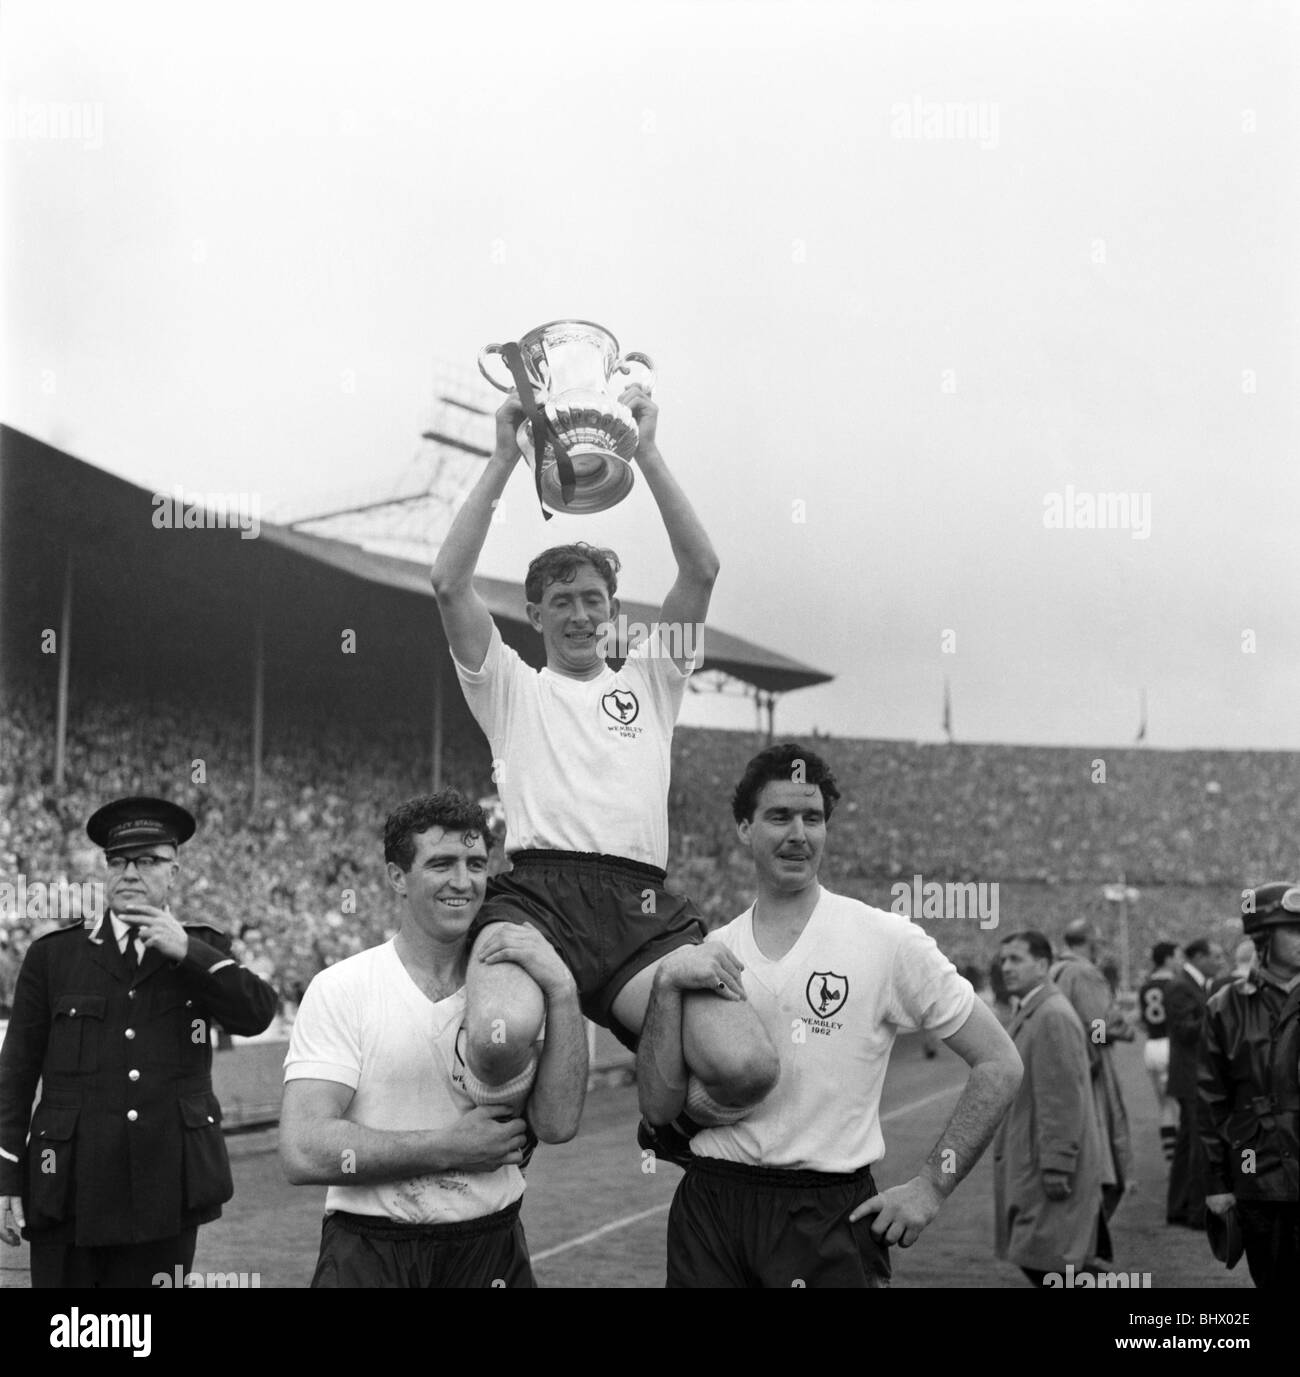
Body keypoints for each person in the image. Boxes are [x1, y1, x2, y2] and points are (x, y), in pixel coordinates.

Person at [430, 385, 778, 1137]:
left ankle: (662, 1111)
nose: (582, 614)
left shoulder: (653, 679)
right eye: (562, 600)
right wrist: (500, 459)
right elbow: (448, 582)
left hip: (640, 908)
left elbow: (703, 567)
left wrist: (647, 450)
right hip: (537, 895)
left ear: (616, 610)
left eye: (595, 599)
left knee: (748, 1067)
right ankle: (502, 1090)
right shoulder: (510, 687)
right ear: (535, 614)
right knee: (497, 1040)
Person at [637, 743, 1022, 1288]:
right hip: (711, 1206)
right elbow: (657, 1105)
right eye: (779, 817)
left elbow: (1000, 1062)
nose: (798, 833)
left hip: (825, 1215)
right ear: (744, 828)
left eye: (812, 818)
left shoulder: (886, 941)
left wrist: (932, 1186)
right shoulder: (709, 952)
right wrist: (664, 984)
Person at [279, 791, 587, 1288]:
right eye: (441, 864)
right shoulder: (344, 986)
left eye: (476, 864)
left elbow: (558, 1124)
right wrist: (446, 1147)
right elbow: (302, 1148)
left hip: (491, 1248)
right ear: (397, 877)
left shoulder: (518, 990)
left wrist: (563, 986)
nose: (463, 882)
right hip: (370, 1251)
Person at [0, 797, 277, 1287]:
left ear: (174, 872)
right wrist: (5, 1176)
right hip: (68, 1188)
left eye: (148, 860)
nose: (130, 871)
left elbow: (255, 1015)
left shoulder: (203, 948)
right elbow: (15, 1074)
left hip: (163, 1190)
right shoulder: (54, 956)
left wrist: (189, 952)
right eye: (119, 861)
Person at [1198, 883, 1300, 1289]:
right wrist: (1217, 1183)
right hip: (1257, 1175)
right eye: (1293, 930)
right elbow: (1210, 1101)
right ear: (1263, 937)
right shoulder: (1224, 1006)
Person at [994, 930, 1106, 1287]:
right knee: (1048, 1260)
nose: (1006, 967)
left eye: (1016, 959)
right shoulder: (1037, 1009)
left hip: (1047, 1165)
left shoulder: (1051, 1015)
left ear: (1042, 965)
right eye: (1004, 960)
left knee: (1051, 1262)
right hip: (1035, 1159)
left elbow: (1062, 1099)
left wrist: (1058, 1164)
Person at [1050, 919, 1133, 1222]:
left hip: (1064, 1068)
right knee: (1106, 1159)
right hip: (1090, 1068)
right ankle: (1085, 1242)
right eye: (1097, 940)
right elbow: (1100, 1024)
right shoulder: (1083, 972)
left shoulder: (1055, 969)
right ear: (1088, 941)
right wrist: (1120, 1030)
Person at [1166, 936, 1224, 1228]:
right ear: (1199, 957)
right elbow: (1184, 1031)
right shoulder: (1180, 985)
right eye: (1215, 955)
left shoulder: (1193, 985)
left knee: (1187, 1145)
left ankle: (1179, 1207)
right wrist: (1217, 1014)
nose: (1220, 961)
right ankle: (1195, 1212)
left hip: (1191, 1073)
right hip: (1190, 1075)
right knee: (1198, 1145)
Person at [1137, 941, 1180, 1163]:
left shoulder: (1146, 986)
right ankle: (1182, 1159)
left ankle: (1170, 1156)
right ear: (1168, 958)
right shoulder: (1176, 984)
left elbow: (1142, 1022)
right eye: (1176, 955)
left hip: (1152, 1046)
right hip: (1173, 1045)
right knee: (1180, 1104)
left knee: (1163, 1104)